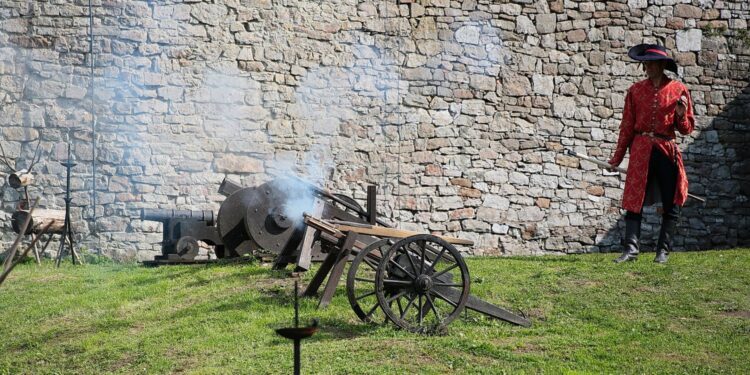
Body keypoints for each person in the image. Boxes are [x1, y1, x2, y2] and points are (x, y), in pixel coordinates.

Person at [608, 44, 695, 264]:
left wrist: (681, 115)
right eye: (645, 62)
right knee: (633, 201)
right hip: (640, 150)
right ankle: (631, 250)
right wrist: (616, 159)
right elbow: (626, 127)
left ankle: (663, 251)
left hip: (666, 150)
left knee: (671, 201)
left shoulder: (678, 90)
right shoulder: (635, 90)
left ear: (662, 64)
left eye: (651, 62)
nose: (646, 66)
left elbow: (686, 129)